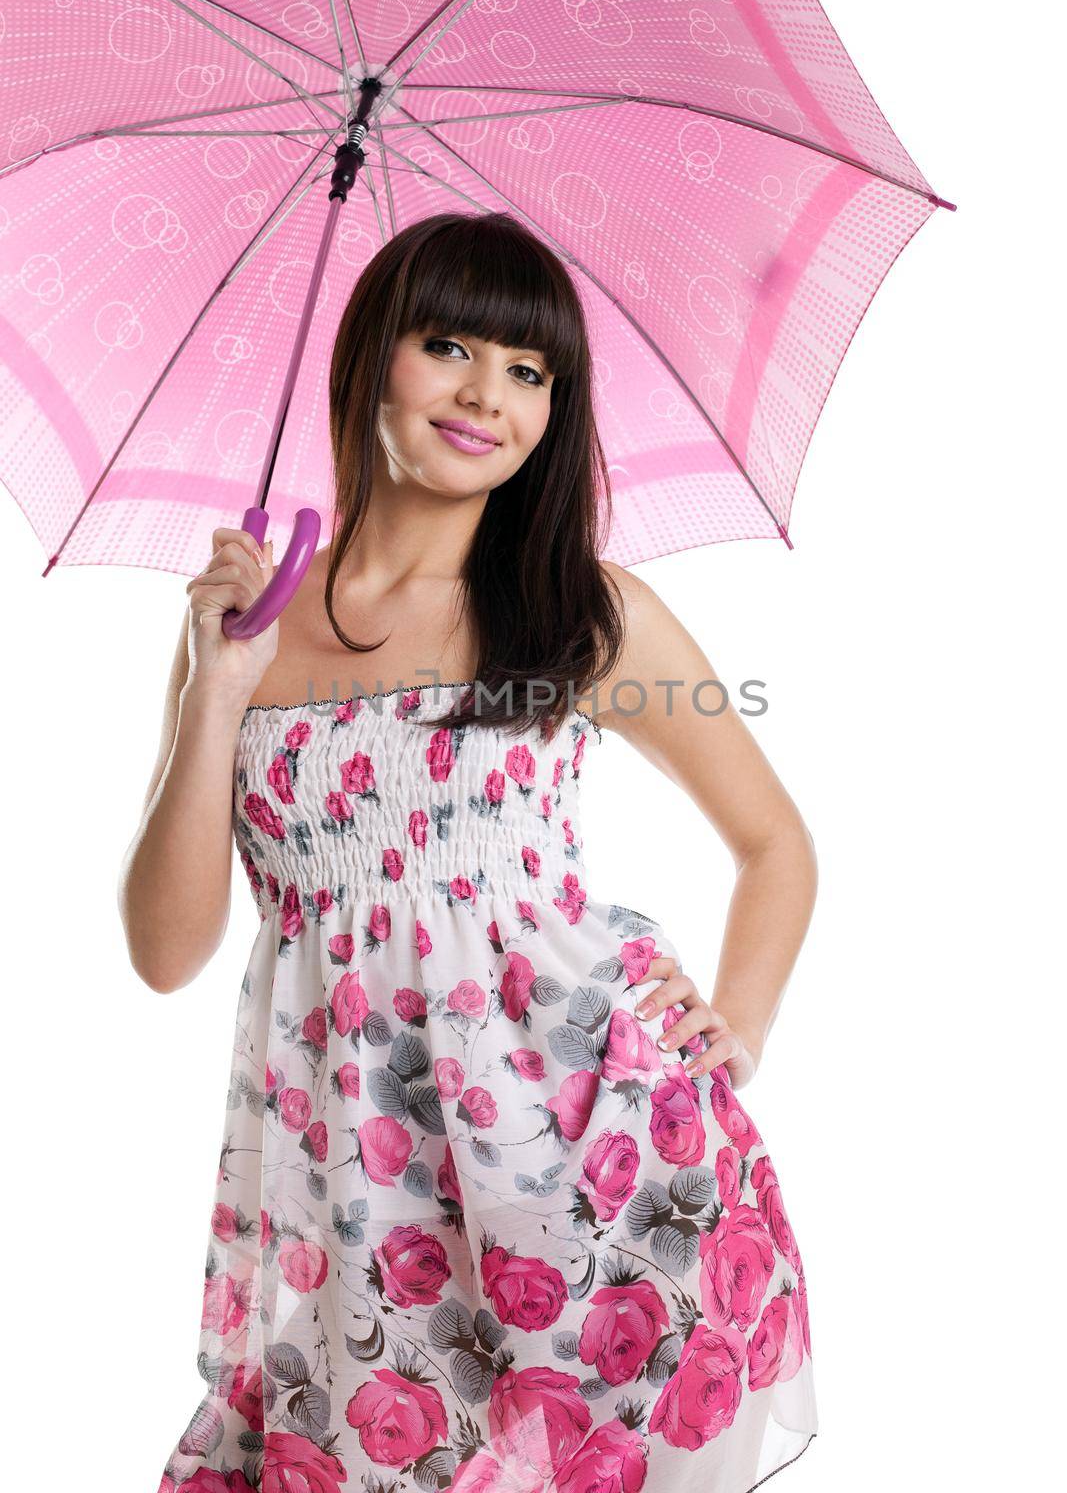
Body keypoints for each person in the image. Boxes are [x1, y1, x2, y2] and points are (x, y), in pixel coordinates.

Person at [122, 212, 819, 1493]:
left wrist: (739, 1025)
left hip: (572, 1153)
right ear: (369, 357)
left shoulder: (578, 612)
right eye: (446, 344)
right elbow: (166, 953)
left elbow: (772, 841)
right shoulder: (244, 627)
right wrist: (218, 684)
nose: (483, 395)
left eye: (527, 370)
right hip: (351, 1178)